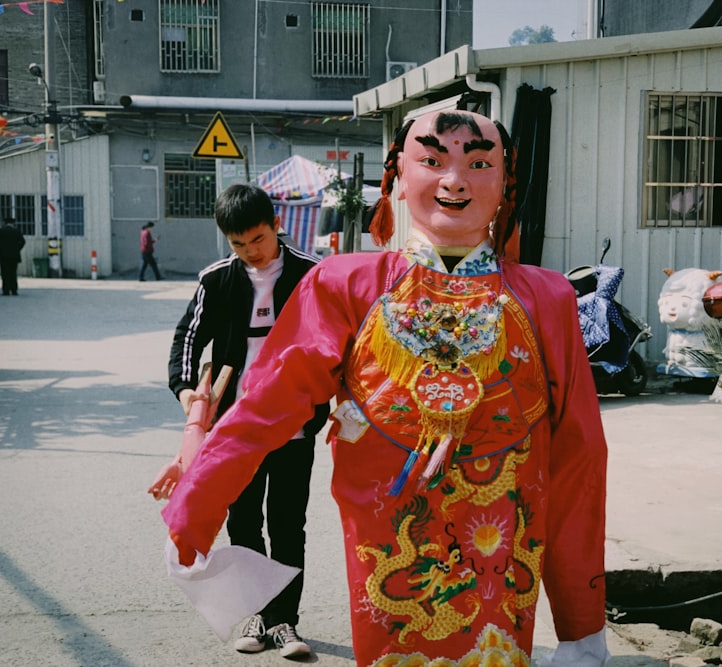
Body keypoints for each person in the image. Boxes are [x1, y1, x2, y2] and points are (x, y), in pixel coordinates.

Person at [162, 110, 610, 666]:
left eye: (478, 163)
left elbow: (579, 456)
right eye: (432, 161)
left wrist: (580, 622)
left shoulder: (546, 297)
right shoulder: (345, 284)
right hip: (389, 540)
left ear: (505, 183)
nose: (454, 181)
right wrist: (198, 502)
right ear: (397, 175)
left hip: (502, 543)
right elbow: (265, 405)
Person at [159, 183, 330, 659]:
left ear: (276, 224)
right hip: (235, 430)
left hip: (294, 424)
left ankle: (287, 623)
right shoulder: (217, 280)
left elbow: (343, 343)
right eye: (238, 244)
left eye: (258, 239)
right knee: (245, 522)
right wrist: (186, 387)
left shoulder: (311, 275)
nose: (251, 252)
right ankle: (258, 615)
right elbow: (187, 342)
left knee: (288, 524)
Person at [0, 217, 25, 296]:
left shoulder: (0, 231)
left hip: (3, 255)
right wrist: (17, 249)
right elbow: (23, 242)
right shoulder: (17, 231)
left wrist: (2, 247)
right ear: (13, 223)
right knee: (13, 273)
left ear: (5, 223)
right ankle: (14, 290)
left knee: (5, 273)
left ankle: (6, 290)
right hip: (14, 255)